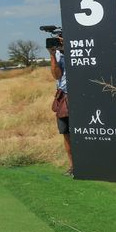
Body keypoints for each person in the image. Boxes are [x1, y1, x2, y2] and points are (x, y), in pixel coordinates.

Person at [49, 33, 73, 175]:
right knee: (66, 133)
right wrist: (52, 54)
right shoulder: (58, 55)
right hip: (63, 96)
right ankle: (72, 166)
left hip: (79, 95)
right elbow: (56, 75)